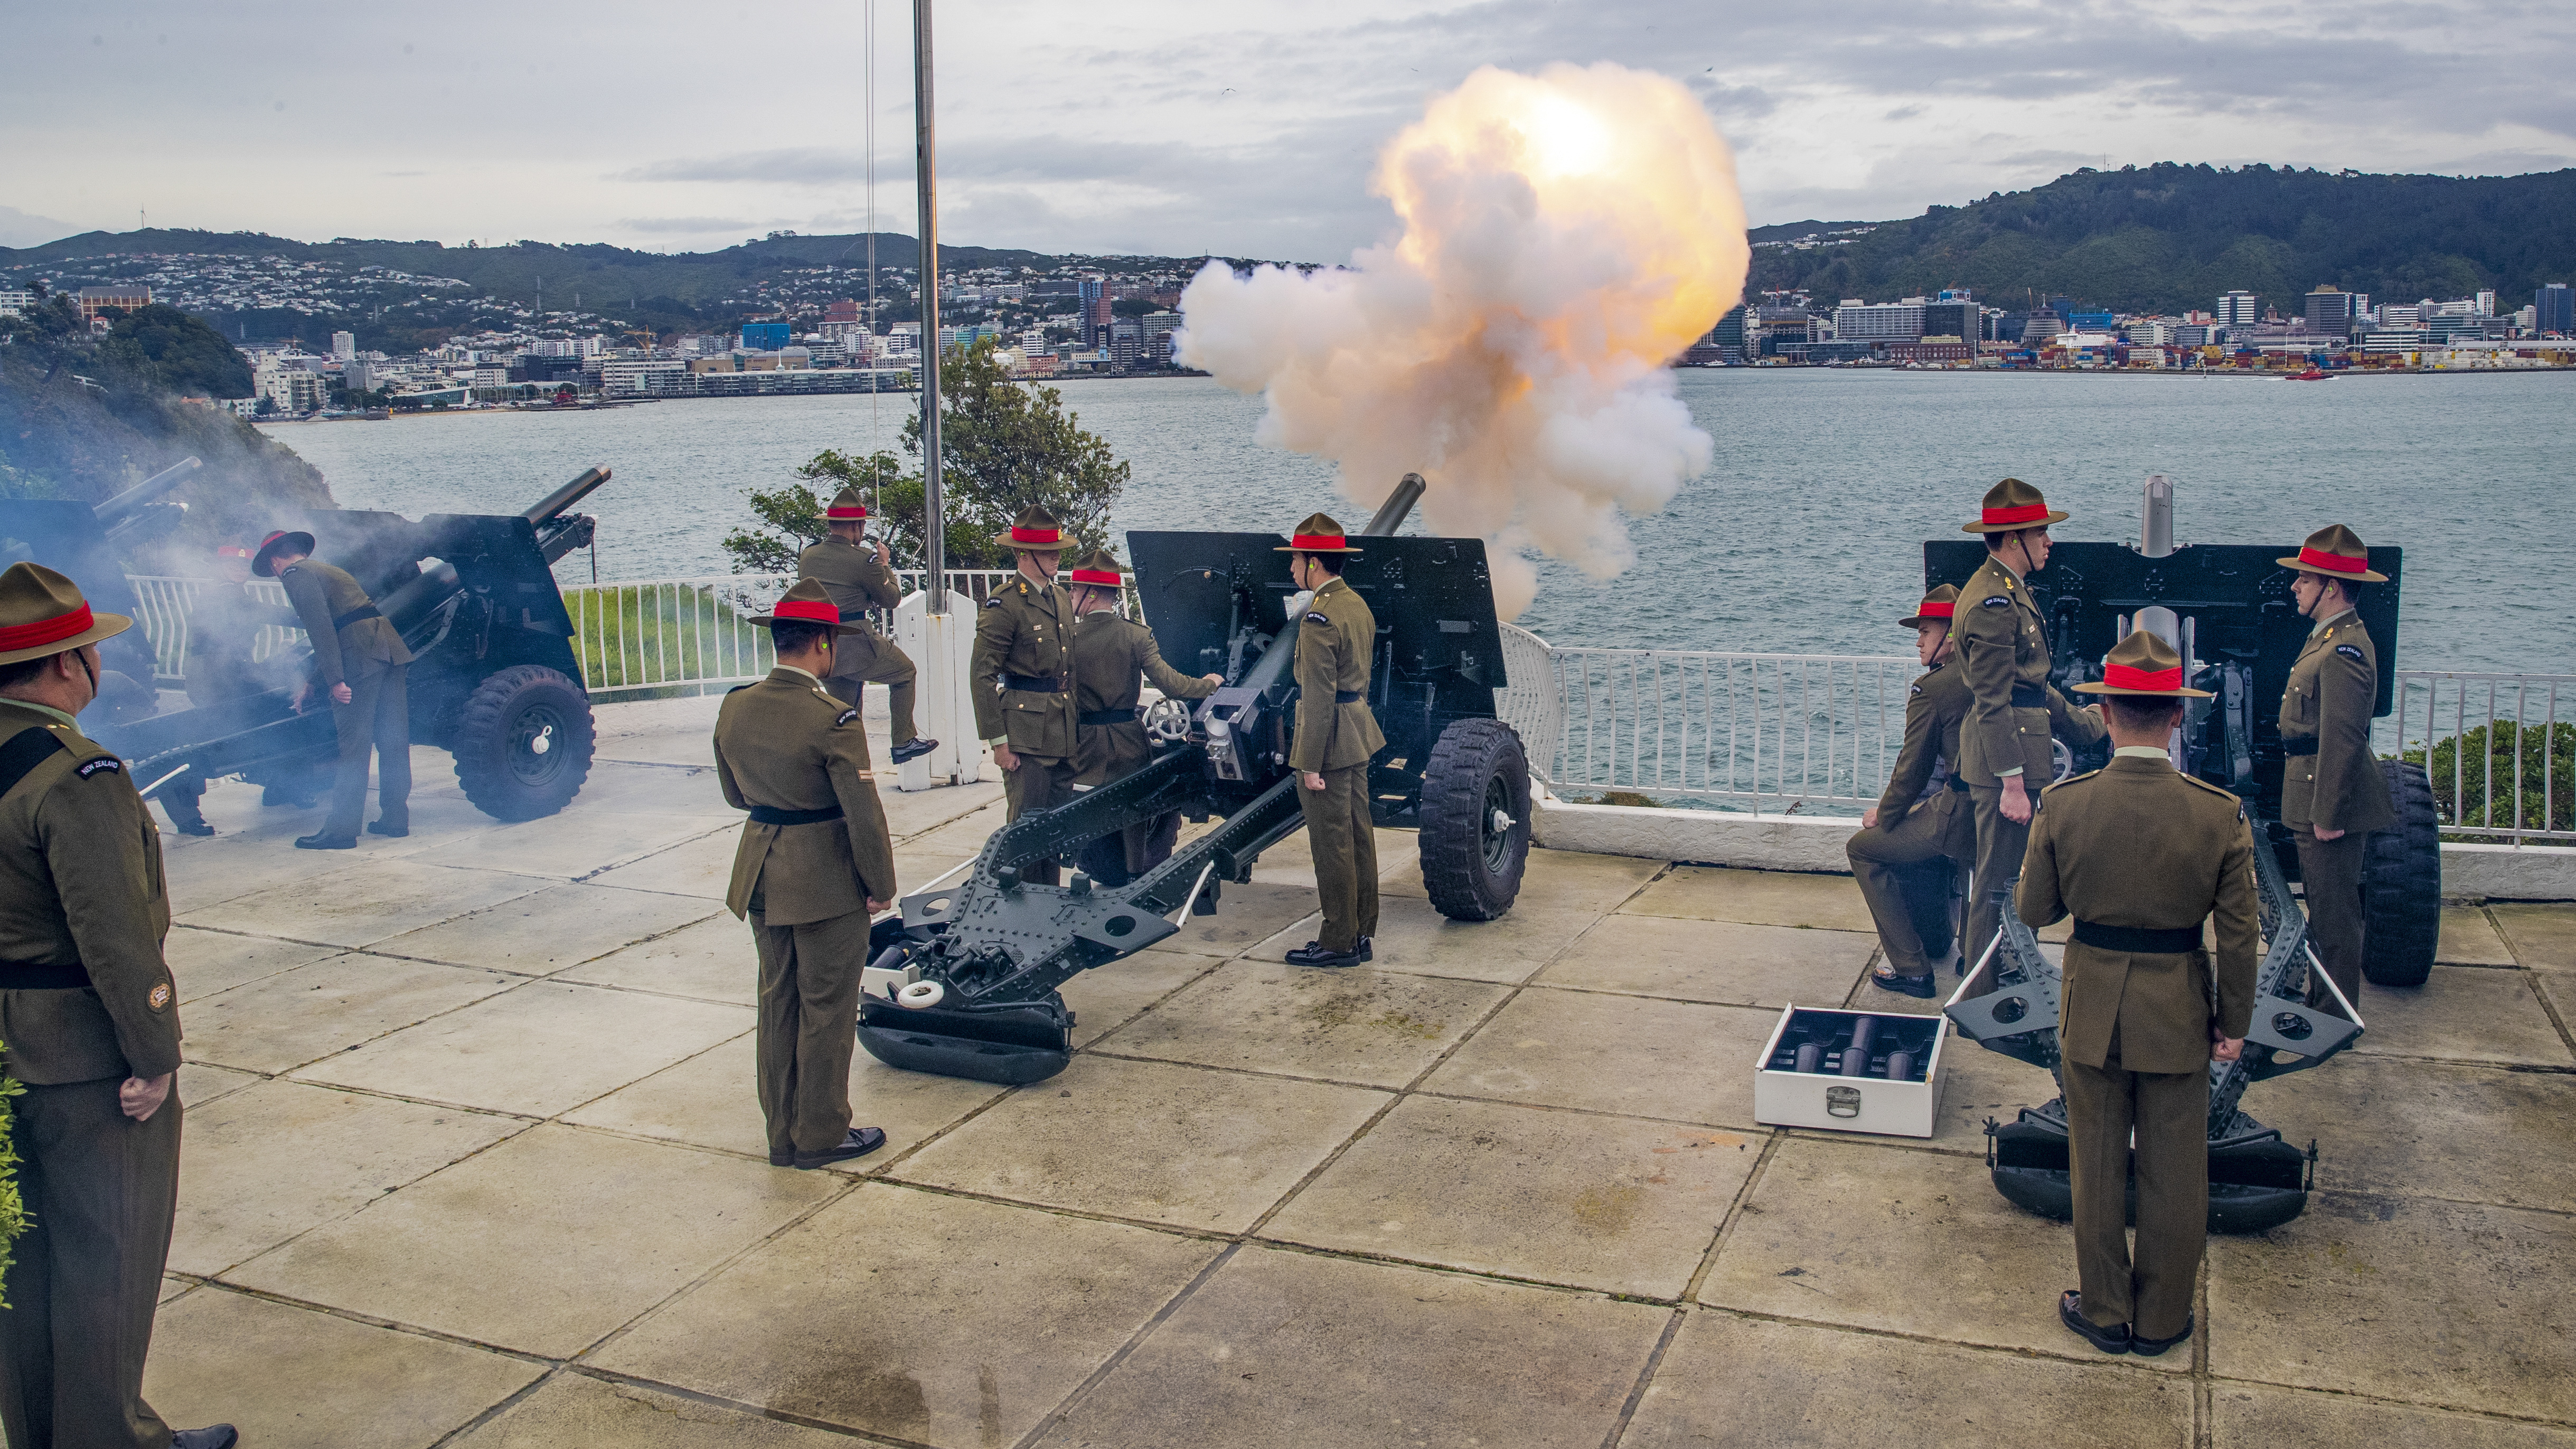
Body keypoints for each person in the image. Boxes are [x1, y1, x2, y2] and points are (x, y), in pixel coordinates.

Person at [0, 562, 235, 1449]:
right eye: (91, 646)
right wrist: (153, 1050)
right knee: (108, 1257)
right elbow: (114, 932)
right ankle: (107, 1437)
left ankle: (40, 1433)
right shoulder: (75, 772)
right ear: (65, 666)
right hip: (77, 1056)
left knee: (22, 1265)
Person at [2018, 629, 2258, 1361]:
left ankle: (2103, 1310)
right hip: (2178, 1009)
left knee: (2093, 1166)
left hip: (2092, 1006)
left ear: (2110, 714)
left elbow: (2034, 912)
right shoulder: (2216, 812)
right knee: (2176, 1171)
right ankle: (2160, 1319)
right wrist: (2233, 1023)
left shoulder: (2065, 804)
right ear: (2176, 717)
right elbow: (2240, 936)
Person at [712, 578, 898, 1170]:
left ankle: (782, 1133)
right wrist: (880, 885)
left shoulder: (736, 704)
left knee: (778, 1000)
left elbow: (734, 795)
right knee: (826, 1008)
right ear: (822, 642)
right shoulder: (834, 718)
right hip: (822, 878)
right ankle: (819, 1132)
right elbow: (862, 816)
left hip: (761, 868)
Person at [1950, 478, 2106, 968]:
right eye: (2041, 533)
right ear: (2014, 538)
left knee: (2007, 883)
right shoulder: (1994, 603)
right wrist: (2011, 783)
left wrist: (2088, 724)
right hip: (2006, 764)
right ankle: (1980, 995)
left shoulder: (2007, 591)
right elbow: (1993, 700)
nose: (2049, 542)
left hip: (2016, 753)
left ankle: (2005, 978)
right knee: (1996, 890)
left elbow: (2031, 688)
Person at [2275, 524, 2394, 1008]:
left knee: (2335, 912)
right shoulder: (2329, 636)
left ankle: (2336, 1014)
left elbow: (2344, 737)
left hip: (2325, 797)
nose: (2294, 587)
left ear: (2331, 587)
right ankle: (2323, 1000)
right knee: (2324, 908)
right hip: (2308, 787)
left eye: (2304, 579)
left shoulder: (2344, 648)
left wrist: (2328, 813)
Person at [1063, 548, 1221, 886]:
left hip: (1083, 740)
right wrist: (1208, 686)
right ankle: (1137, 870)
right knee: (1136, 803)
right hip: (1127, 738)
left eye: (1075, 589)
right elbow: (1170, 683)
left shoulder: (1068, 639)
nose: (1071, 595)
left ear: (1090, 594)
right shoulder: (1136, 635)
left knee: (1085, 805)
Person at [1849, 585, 1976, 996]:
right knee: (1976, 871)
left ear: (1952, 635)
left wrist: (1885, 816)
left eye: (1926, 631)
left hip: (1955, 808)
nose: (1919, 641)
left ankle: (1911, 969)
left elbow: (1912, 769)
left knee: (1863, 848)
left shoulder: (1934, 689)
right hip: (1995, 808)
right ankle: (1973, 960)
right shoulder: (1994, 674)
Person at [253, 529, 413, 850]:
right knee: (393, 741)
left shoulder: (296, 575)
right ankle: (396, 819)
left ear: (274, 562)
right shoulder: (328, 570)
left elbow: (322, 630)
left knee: (354, 747)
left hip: (359, 659)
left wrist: (335, 681)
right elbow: (345, 624)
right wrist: (312, 683)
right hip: (388, 649)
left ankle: (341, 831)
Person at [1280, 514, 1386, 969]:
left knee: (1332, 843)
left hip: (1329, 739)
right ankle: (1361, 931)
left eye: (1296, 560)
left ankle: (1338, 939)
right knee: (1359, 836)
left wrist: (1310, 763)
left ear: (1315, 564)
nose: (1291, 569)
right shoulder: (1356, 606)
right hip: (1357, 731)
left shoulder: (1319, 618)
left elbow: (1318, 698)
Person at [971, 505, 1080, 885]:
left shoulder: (1061, 598)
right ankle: (1013, 909)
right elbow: (982, 676)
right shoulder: (1006, 604)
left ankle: (1045, 902)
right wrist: (999, 742)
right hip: (1026, 736)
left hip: (1062, 731)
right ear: (1023, 554)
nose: (1057, 557)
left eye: (1058, 550)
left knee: (1054, 830)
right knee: (1023, 834)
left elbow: (1070, 670)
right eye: (1049, 551)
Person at [795, 485, 937, 765]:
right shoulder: (865, 560)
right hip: (856, 641)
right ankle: (903, 741)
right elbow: (891, 599)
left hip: (823, 644)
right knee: (905, 673)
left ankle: (847, 766)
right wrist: (884, 565)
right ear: (857, 527)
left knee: (846, 714)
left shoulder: (808, 556)